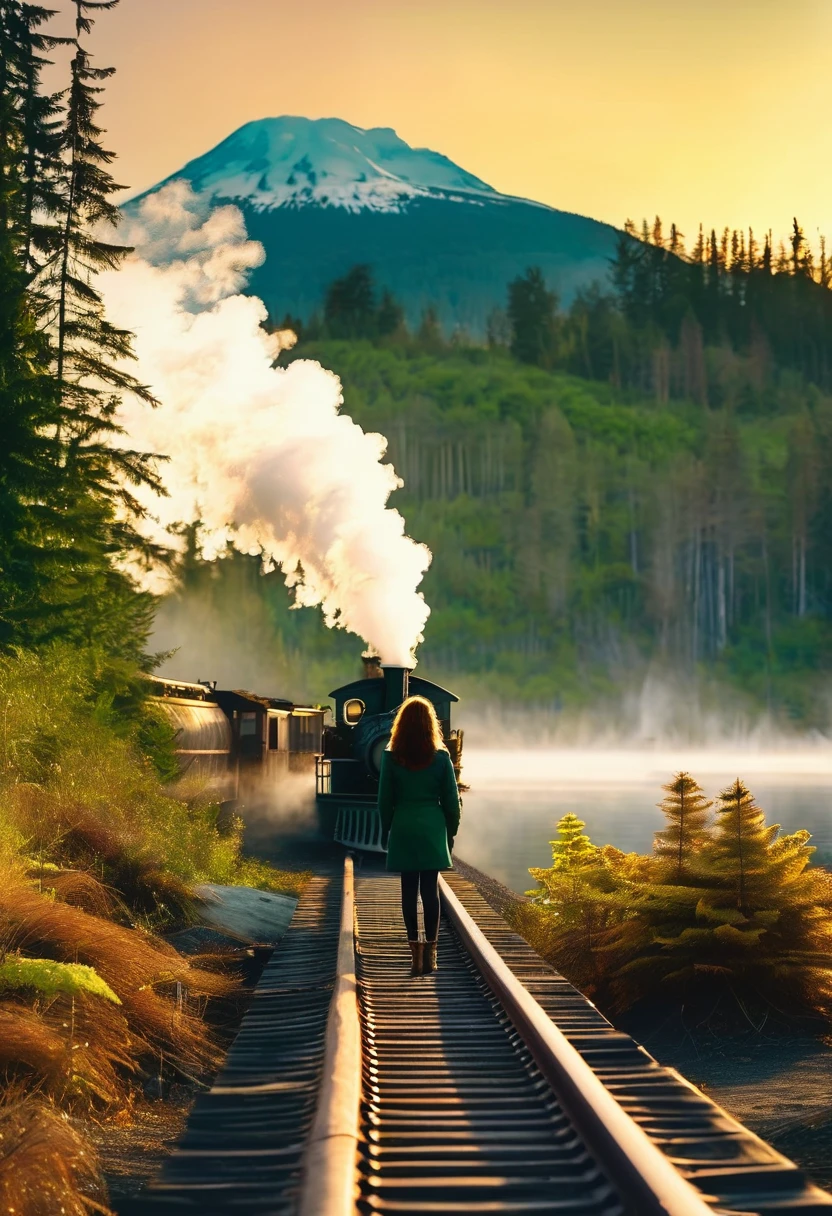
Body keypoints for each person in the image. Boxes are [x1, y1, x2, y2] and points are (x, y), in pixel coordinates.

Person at [377, 695, 461, 976]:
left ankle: (415, 955)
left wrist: (385, 829)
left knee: (408, 892)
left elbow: (384, 800)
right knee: (430, 892)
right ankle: (432, 955)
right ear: (430, 725)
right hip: (432, 828)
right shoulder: (441, 758)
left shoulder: (390, 757)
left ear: (401, 725)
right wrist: (450, 834)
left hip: (404, 826)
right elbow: (452, 802)